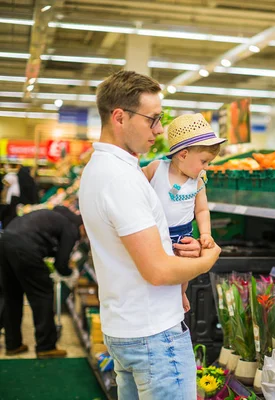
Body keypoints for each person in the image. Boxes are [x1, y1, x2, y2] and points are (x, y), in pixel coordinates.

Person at [78, 70, 221, 399]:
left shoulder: (103, 169)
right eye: (152, 120)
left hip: (127, 327)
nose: (159, 131)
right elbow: (156, 271)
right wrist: (207, 259)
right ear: (120, 117)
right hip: (153, 336)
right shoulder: (121, 179)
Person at [142, 113, 225, 313]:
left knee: (182, 270)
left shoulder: (197, 181)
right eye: (204, 161)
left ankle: (180, 294)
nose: (206, 167)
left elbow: (202, 210)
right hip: (155, 232)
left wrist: (205, 234)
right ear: (183, 154)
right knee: (155, 267)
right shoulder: (156, 169)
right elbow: (136, 181)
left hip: (182, 234)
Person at [0, 206, 84, 358]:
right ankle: (46, 347)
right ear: (82, 225)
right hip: (25, 247)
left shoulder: (52, 217)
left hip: (5, 241)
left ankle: (13, 344)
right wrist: (71, 274)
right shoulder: (71, 228)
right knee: (42, 295)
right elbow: (61, 264)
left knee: (12, 296)